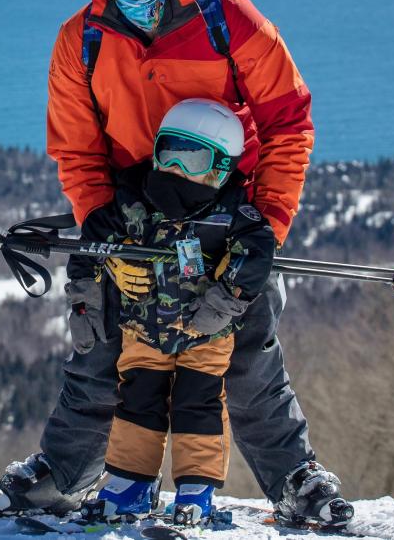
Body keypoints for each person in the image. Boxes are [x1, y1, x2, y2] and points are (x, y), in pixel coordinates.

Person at [0, 0, 353, 529]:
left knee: (243, 349)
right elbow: (77, 148)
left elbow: (290, 121)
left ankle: (294, 480)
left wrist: (268, 223)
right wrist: (97, 216)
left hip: (225, 218)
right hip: (131, 215)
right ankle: (65, 475)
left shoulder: (228, 18)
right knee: (102, 347)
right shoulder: (80, 41)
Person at [82, 98, 273, 526]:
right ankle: (129, 485)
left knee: (198, 404)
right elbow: (92, 238)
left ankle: (195, 488)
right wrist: (84, 299)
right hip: (143, 332)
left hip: (205, 336)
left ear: (221, 168)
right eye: (169, 154)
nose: (177, 171)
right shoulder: (134, 200)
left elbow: (259, 250)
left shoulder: (230, 213)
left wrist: (224, 301)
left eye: (193, 160)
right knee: (136, 402)